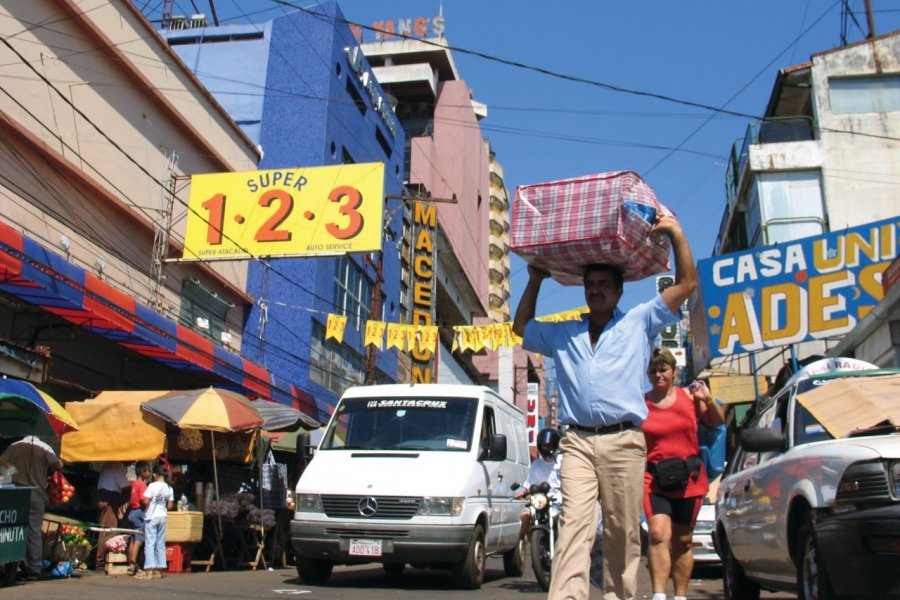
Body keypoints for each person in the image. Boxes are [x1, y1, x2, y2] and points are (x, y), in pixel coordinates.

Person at [512, 213, 697, 600]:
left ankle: (619, 596)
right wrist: (534, 281)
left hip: (624, 442)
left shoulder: (639, 322)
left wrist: (677, 234)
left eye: (603, 285)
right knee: (574, 524)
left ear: (618, 292)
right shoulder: (565, 332)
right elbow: (521, 328)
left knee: (622, 531)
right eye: (590, 284)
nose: (595, 290)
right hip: (577, 443)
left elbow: (687, 284)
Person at [642, 349, 724, 600]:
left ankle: (680, 595)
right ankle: (658, 595)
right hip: (654, 479)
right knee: (657, 533)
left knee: (684, 540)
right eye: (654, 370)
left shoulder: (688, 397)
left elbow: (717, 422)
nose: (658, 375)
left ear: (674, 372)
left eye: (663, 369)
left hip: (689, 479)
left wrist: (707, 399)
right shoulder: (640, 402)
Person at [0, 435, 63, 579]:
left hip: (16, 495)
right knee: (34, 532)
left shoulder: (14, 446)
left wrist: (13, 471)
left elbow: (1, 463)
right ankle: (34, 568)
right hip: (36, 495)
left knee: (14, 529)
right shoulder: (44, 448)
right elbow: (58, 466)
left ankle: (11, 565)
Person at [136, 463, 173, 580]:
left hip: (152, 516)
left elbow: (145, 501)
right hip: (163, 516)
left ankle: (150, 568)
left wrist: (152, 500)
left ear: (155, 474)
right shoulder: (169, 488)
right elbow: (170, 505)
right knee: (160, 543)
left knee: (150, 543)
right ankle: (159, 568)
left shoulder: (151, 486)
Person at [95, 460, 130, 570]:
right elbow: (125, 486)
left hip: (105, 496)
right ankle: (99, 562)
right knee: (108, 530)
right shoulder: (117, 465)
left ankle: (101, 559)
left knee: (105, 529)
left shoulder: (109, 464)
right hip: (109, 497)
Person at [516, 427, 561, 499]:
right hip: (541, 502)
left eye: (548, 446)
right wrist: (523, 493)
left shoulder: (562, 462)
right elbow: (529, 485)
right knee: (525, 510)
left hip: (561, 502)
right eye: (544, 446)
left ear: (555, 445)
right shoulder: (536, 465)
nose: (546, 448)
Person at [126, 461, 151, 576]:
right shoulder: (142, 485)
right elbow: (144, 500)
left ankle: (130, 563)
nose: (149, 473)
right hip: (139, 512)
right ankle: (132, 564)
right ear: (142, 472)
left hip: (131, 512)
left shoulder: (133, 484)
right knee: (139, 541)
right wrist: (152, 502)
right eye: (148, 471)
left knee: (132, 538)